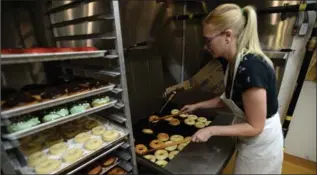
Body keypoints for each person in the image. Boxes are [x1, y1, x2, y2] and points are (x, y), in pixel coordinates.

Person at [180, 3, 284, 174]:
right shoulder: (232, 62)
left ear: (227, 35)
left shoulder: (251, 68)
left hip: (261, 145)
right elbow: (230, 98)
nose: (206, 46)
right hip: (249, 137)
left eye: (208, 40)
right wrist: (197, 105)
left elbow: (255, 126)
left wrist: (211, 130)